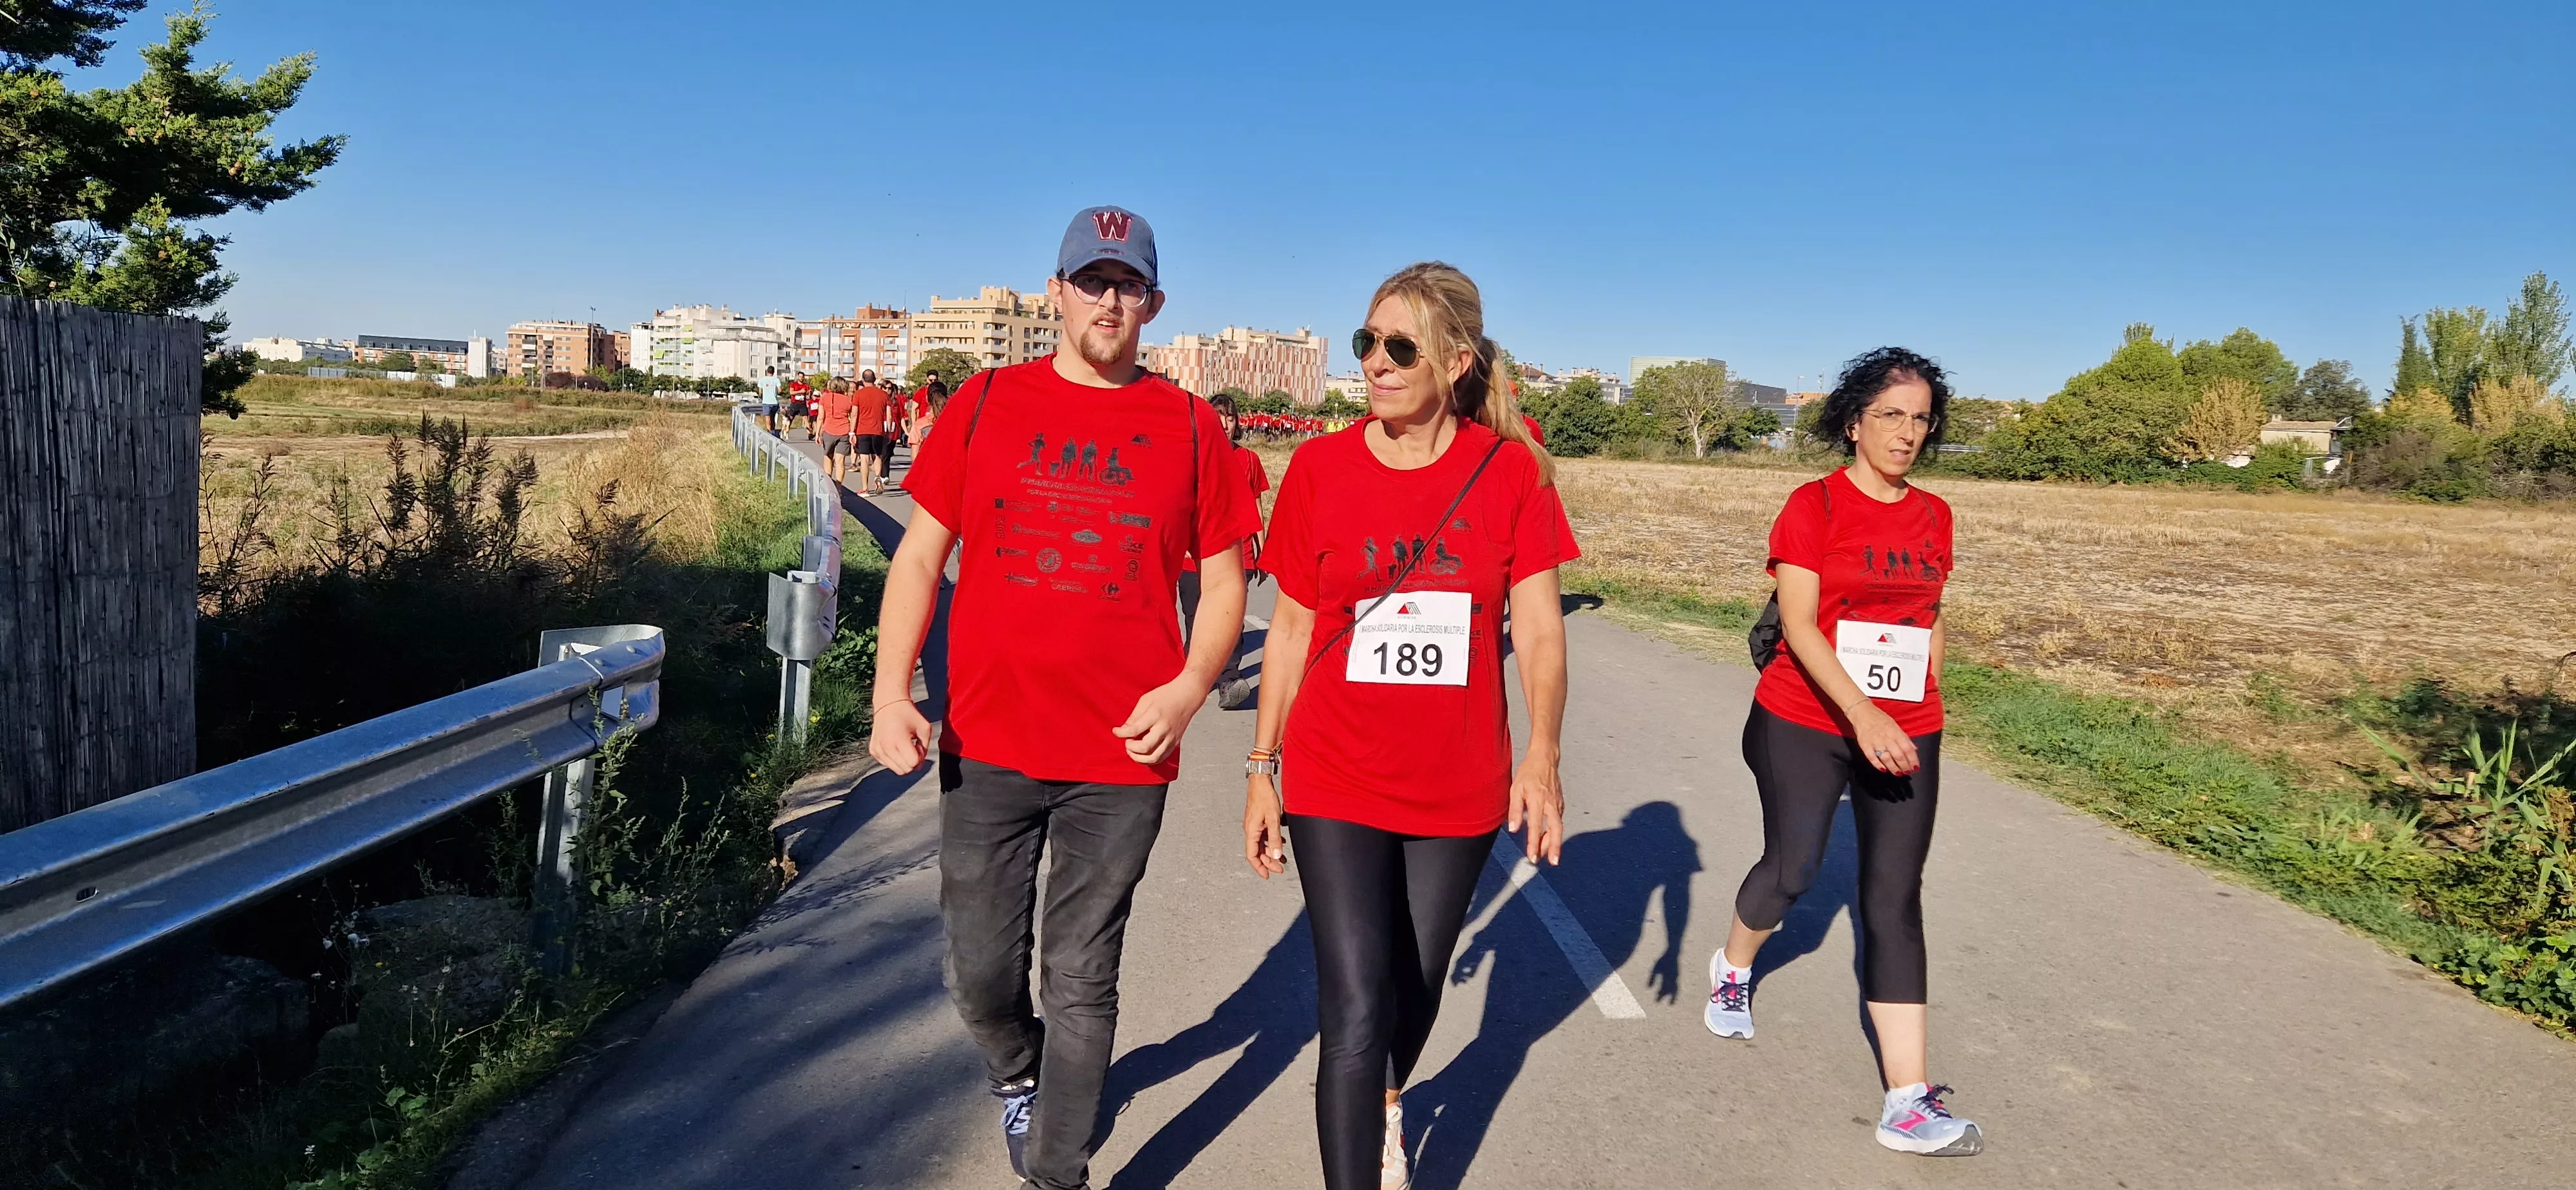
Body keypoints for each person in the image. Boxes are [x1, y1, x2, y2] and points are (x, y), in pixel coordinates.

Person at [869, 205, 1258, 1190]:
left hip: (1123, 756)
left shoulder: (1189, 426)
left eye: (1128, 285)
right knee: (983, 973)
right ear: (1057, 293)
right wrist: (889, 693)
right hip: (989, 742)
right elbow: (921, 553)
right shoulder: (989, 401)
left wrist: (1187, 688)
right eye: (1092, 280)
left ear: (1155, 304)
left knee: (1083, 973)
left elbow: (1225, 583)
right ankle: (1019, 1070)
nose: (1109, 301)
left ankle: (1058, 1172)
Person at [1244, 262, 1575, 1190]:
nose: (1375, 364)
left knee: (1415, 991)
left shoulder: (1509, 472)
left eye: (1399, 348)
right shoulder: (1320, 466)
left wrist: (1542, 757)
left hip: (1459, 779)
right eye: (1367, 343)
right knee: (1353, 1003)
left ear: (1457, 363)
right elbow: (1295, 627)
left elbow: (1542, 629)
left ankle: (1391, 1097)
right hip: (1334, 771)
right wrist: (1261, 766)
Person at [1702, 346, 1980, 1157]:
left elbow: (1927, 614)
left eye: (1921, 418)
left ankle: (1907, 1100)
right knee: (1794, 869)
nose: (1907, 433)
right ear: (1853, 422)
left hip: (1904, 725)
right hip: (1805, 714)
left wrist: (1930, 696)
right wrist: (1862, 714)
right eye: (1890, 415)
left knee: (1893, 896)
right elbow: (1799, 626)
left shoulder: (1934, 515)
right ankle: (1733, 964)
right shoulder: (1813, 505)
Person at [1178, 392, 1272, 710]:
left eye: (1230, 418)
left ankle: (1229, 681)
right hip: (1194, 557)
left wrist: (1263, 549)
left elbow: (1257, 507)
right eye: (1219, 416)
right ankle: (1195, 674)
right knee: (1195, 617)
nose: (1225, 424)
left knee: (1230, 619)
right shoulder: (1190, 456)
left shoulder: (1248, 460)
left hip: (1239, 554)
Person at [850, 370, 891, 496]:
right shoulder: (884, 395)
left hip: (862, 430)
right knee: (877, 456)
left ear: (863, 380)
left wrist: (852, 432)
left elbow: (855, 414)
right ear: (875, 380)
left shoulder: (858, 394)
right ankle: (878, 478)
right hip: (878, 431)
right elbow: (889, 416)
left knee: (864, 458)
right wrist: (888, 432)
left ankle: (865, 488)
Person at [816, 377, 858, 486]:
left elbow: (821, 417)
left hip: (828, 430)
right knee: (840, 461)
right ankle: (839, 487)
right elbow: (853, 416)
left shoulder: (825, 398)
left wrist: (817, 433)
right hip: (844, 431)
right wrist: (852, 432)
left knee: (828, 457)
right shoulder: (849, 400)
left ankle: (828, 484)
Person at [755, 365, 782, 433]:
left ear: (767, 372)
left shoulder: (762, 380)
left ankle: (769, 432)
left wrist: (762, 397)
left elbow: (760, 392)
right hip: (775, 402)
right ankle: (773, 431)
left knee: (768, 418)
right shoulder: (776, 380)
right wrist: (778, 393)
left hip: (766, 402)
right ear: (774, 372)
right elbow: (780, 391)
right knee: (772, 418)